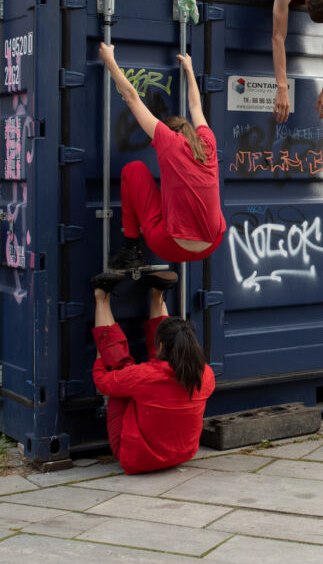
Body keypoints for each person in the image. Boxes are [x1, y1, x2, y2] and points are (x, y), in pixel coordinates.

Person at [100, 43, 225, 271]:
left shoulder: (168, 141)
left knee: (133, 170)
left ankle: (131, 250)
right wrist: (189, 68)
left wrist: (109, 60)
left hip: (169, 246)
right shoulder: (208, 143)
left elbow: (131, 98)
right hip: (211, 245)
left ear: (170, 132)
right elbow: (195, 106)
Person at [91, 271, 216, 474]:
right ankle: (157, 293)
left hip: (137, 459)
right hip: (183, 453)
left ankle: (101, 297)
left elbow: (103, 382)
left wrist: (100, 356)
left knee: (121, 373)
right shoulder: (206, 375)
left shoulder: (145, 376)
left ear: (159, 344)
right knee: (143, 380)